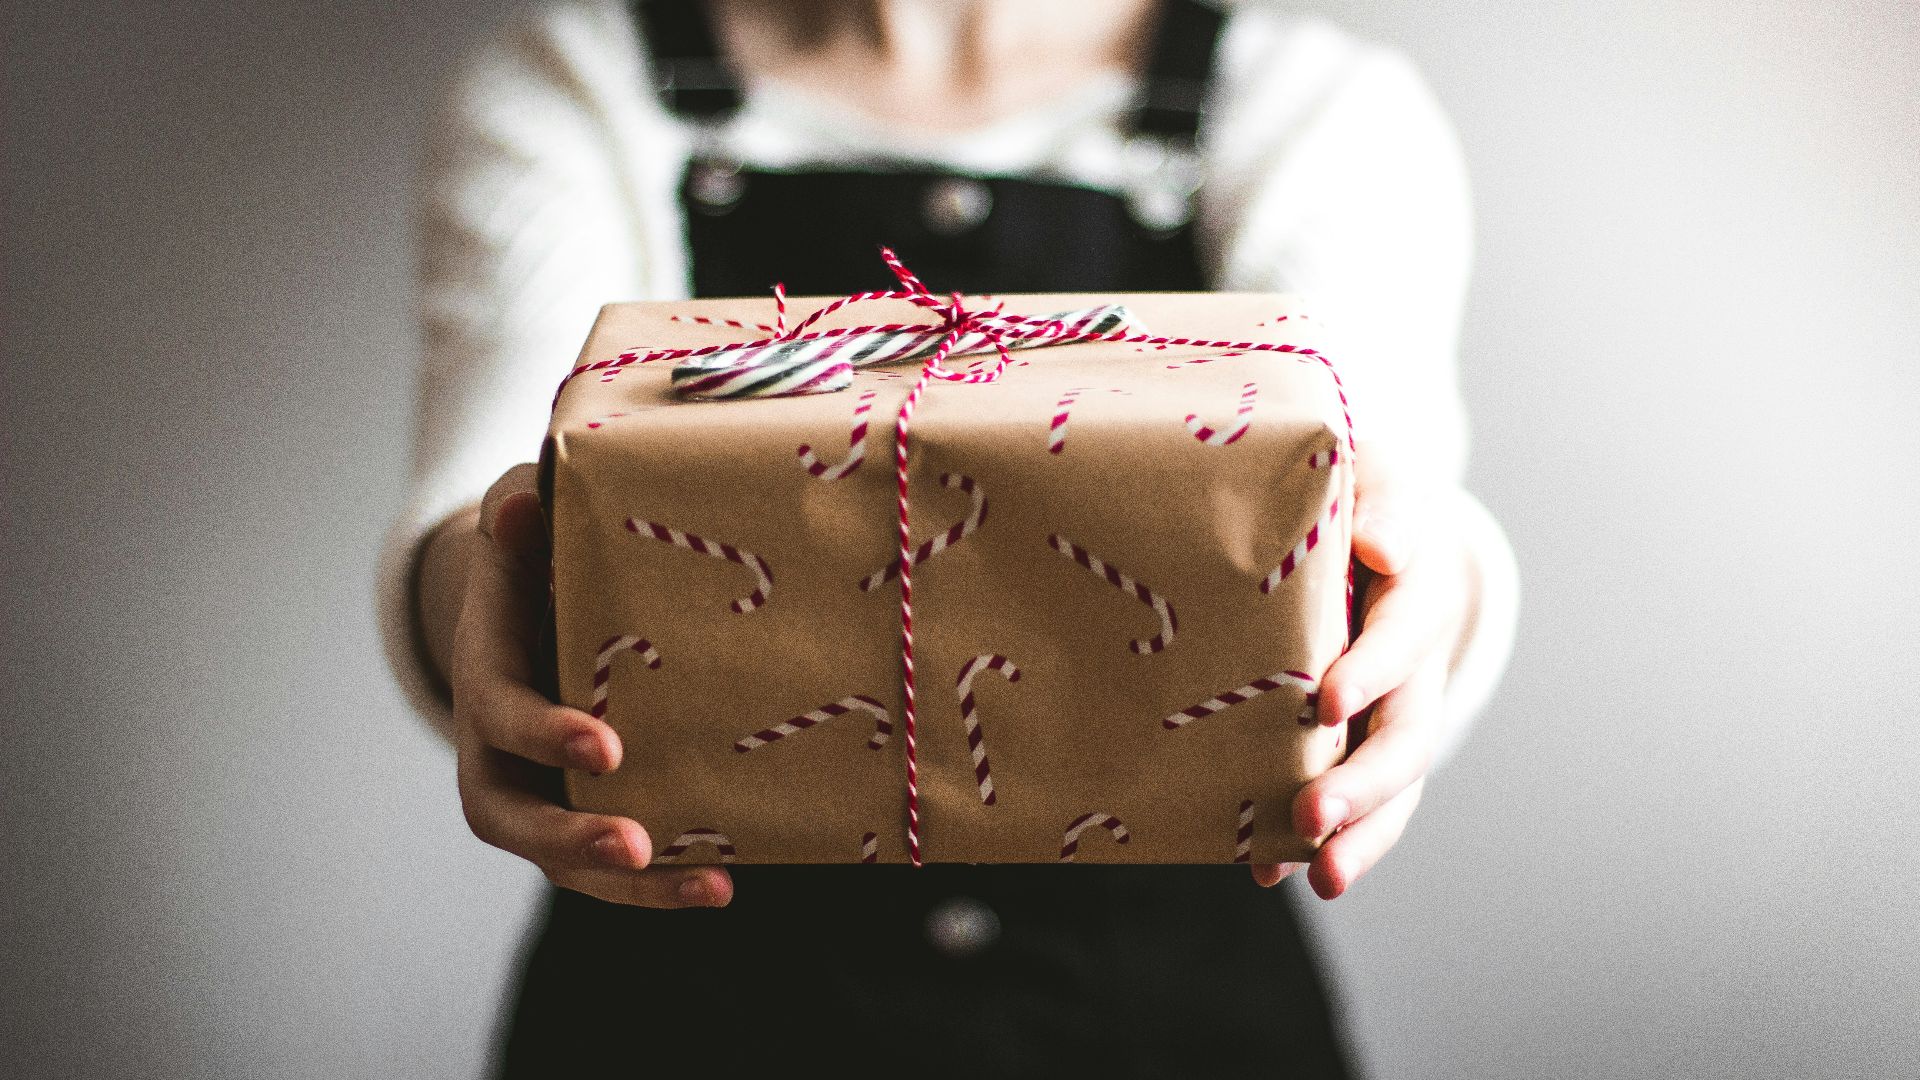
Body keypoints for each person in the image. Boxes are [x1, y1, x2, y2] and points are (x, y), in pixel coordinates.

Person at [376, 0, 1520, 1074]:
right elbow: (492, 496)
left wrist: (1432, 593)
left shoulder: (1311, 106)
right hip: (688, 1022)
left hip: (1177, 1022)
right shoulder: (578, 84)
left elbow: (1385, 484)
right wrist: (485, 603)